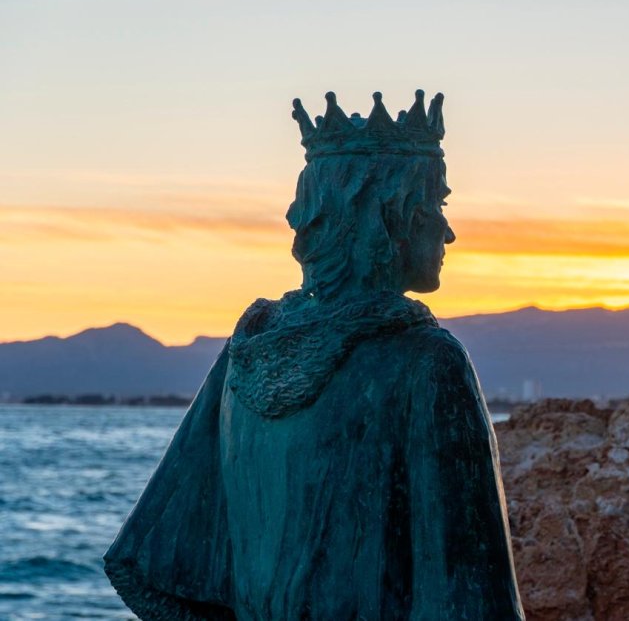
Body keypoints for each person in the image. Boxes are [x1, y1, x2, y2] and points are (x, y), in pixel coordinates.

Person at [104, 90, 525, 620]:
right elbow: (470, 595)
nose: (448, 230)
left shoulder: (249, 349)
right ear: (386, 218)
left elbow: (160, 559)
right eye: (435, 206)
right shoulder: (425, 363)